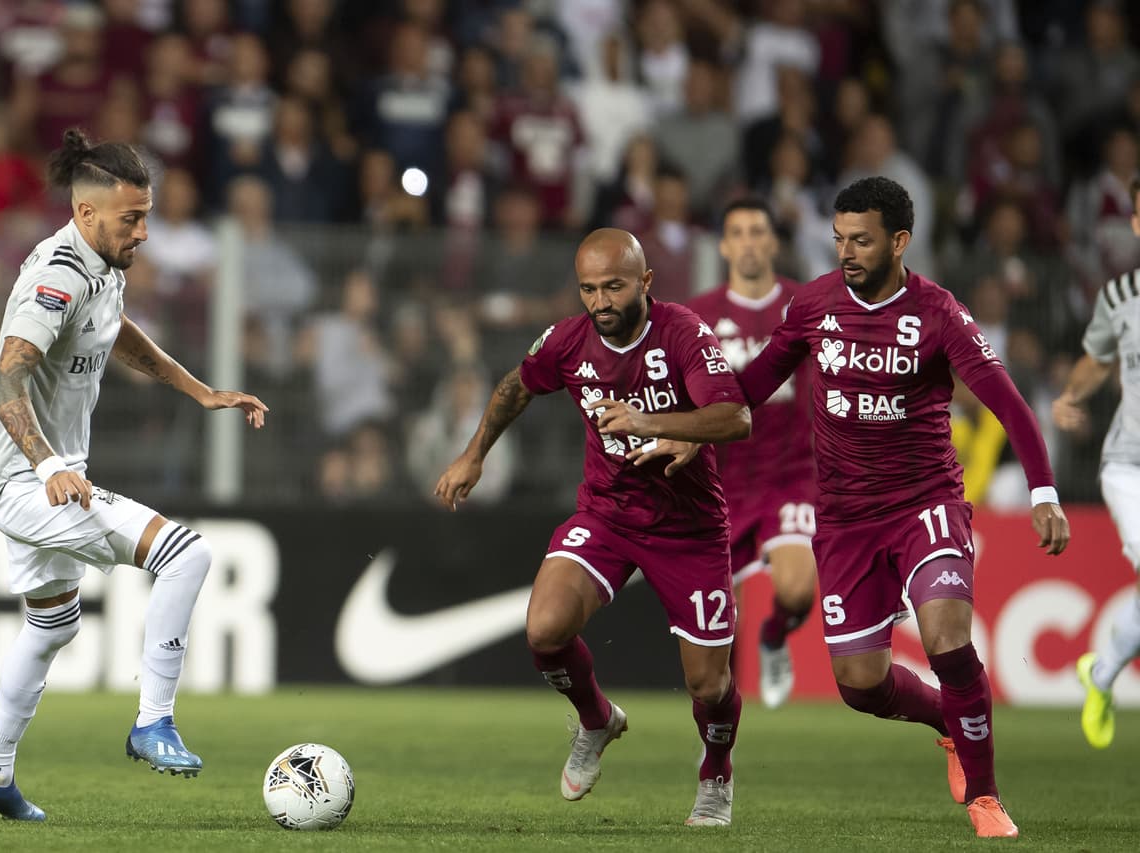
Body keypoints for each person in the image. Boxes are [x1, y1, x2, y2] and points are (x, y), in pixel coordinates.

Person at [736, 176, 1069, 839]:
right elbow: (754, 383)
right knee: (860, 683)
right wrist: (688, 420)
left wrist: (1044, 493)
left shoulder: (939, 313)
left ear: (899, 241)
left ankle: (986, 796)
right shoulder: (813, 305)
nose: (846, 252)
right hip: (845, 518)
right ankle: (947, 720)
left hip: (926, 504)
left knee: (947, 638)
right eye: (838, 239)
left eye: (860, 240)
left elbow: (1009, 404)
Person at [0, 129, 268, 822]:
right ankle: (152, 721)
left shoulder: (103, 265)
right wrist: (49, 467)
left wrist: (199, 389)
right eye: (133, 218)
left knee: (51, 624)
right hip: (32, 480)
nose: (145, 231)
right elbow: (4, 379)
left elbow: (115, 329)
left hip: (42, 476)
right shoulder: (55, 274)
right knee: (188, 553)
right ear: (87, 213)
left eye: (147, 215)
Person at [435, 228, 752, 826]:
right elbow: (515, 387)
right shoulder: (568, 339)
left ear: (645, 283)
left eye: (613, 286)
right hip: (607, 514)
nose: (600, 301)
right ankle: (596, 718)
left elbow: (735, 416)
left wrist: (657, 422)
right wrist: (473, 453)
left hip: (690, 529)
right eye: (588, 289)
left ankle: (716, 774)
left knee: (708, 685)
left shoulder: (683, 333)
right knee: (544, 628)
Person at [687, 198, 817, 708]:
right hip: (721, 483)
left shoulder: (808, 306)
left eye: (757, 231)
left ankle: (775, 635)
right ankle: (716, 740)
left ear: (772, 241)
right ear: (723, 245)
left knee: (797, 591)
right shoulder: (698, 315)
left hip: (791, 473)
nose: (747, 241)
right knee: (714, 636)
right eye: (736, 232)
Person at [1053, 176, 1140, 751]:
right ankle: (1103, 670)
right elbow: (1095, 359)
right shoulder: (1120, 296)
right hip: (1129, 466)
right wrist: (1070, 395)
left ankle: (1102, 671)